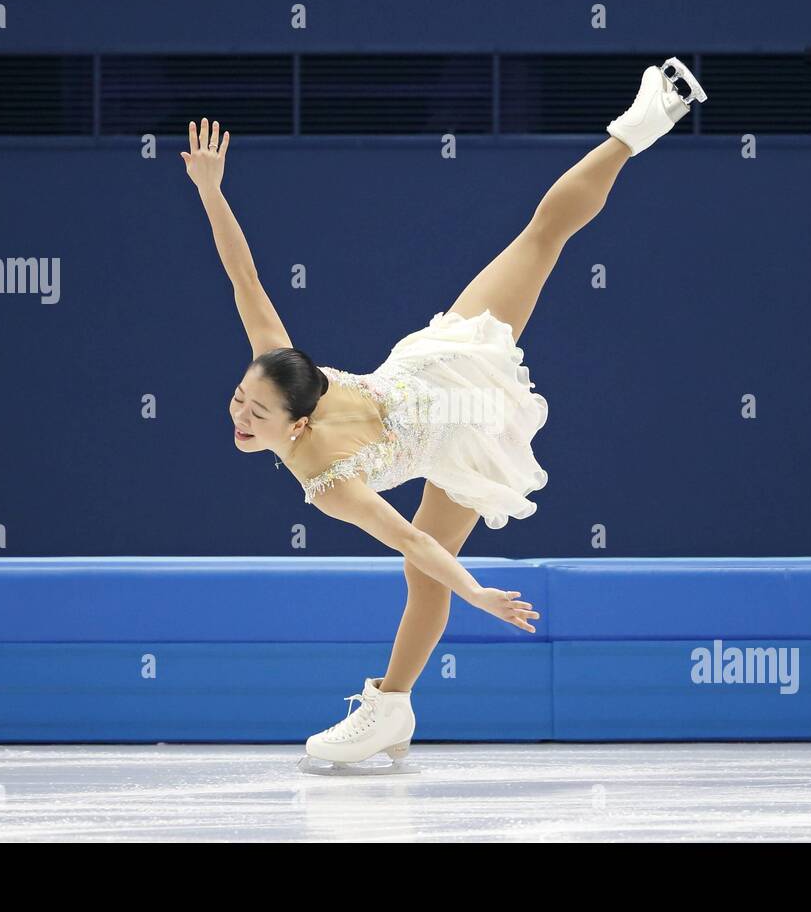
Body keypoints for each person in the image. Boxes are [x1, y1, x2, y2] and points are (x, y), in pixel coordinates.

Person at [180, 58, 707, 770]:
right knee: (539, 238)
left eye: (257, 415)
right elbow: (241, 275)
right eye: (241, 401)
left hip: (458, 413)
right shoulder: (278, 360)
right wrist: (211, 191)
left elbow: (416, 542)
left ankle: (636, 127)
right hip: (435, 372)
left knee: (540, 237)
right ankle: (392, 710)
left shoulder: (329, 478)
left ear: (299, 424)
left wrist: (481, 595)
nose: (240, 417)